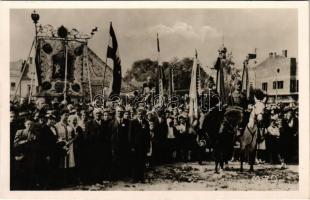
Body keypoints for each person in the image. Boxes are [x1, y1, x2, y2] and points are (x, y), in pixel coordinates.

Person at [13, 119, 39, 189]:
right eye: (28, 124)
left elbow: (37, 145)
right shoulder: (20, 132)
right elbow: (15, 143)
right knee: (21, 173)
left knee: (30, 173)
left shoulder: (36, 133)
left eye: (31, 124)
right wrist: (26, 141)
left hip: (31, 156)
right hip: (21, 155)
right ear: (25, 124)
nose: (30, 126)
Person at [129, 107, 151, 183]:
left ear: (143, 114)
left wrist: (148, 146)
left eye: (142, 113)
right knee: (135, 162)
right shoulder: (133, 122)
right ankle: (135, 178)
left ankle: (141, 178)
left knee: (142, 162)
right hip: (135, 146)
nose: (140, 115)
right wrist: (132, 146)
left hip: (143, 146)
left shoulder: (146, 122)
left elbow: (148, 135)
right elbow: (130, 135)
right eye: (139, 113)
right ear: (137, 114)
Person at [54, 110, 76, 187]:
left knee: (70, 162)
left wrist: (70, 142)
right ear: (61, 115)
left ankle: (69, 181)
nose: (66, 117)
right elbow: (55, 137)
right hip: (61, 146)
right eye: (65, 115)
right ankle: (61, 182)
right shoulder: (56, 126)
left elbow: (74, 136)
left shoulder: (70, 126)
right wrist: (62, 143)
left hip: (70, 145)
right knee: (61, 163)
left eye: (67, 115)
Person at [109, 106, 131, 180]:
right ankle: (115, 176)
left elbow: (128, 134)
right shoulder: (112, 122)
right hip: (115, 145)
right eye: (118, 111)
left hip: (124, 145)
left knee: (123, 159)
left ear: (123, 112)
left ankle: (123, 175)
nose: (119, 113)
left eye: (121, 111)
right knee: (115, 160)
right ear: (116, 112)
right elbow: (109, 134)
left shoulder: (127, 122)